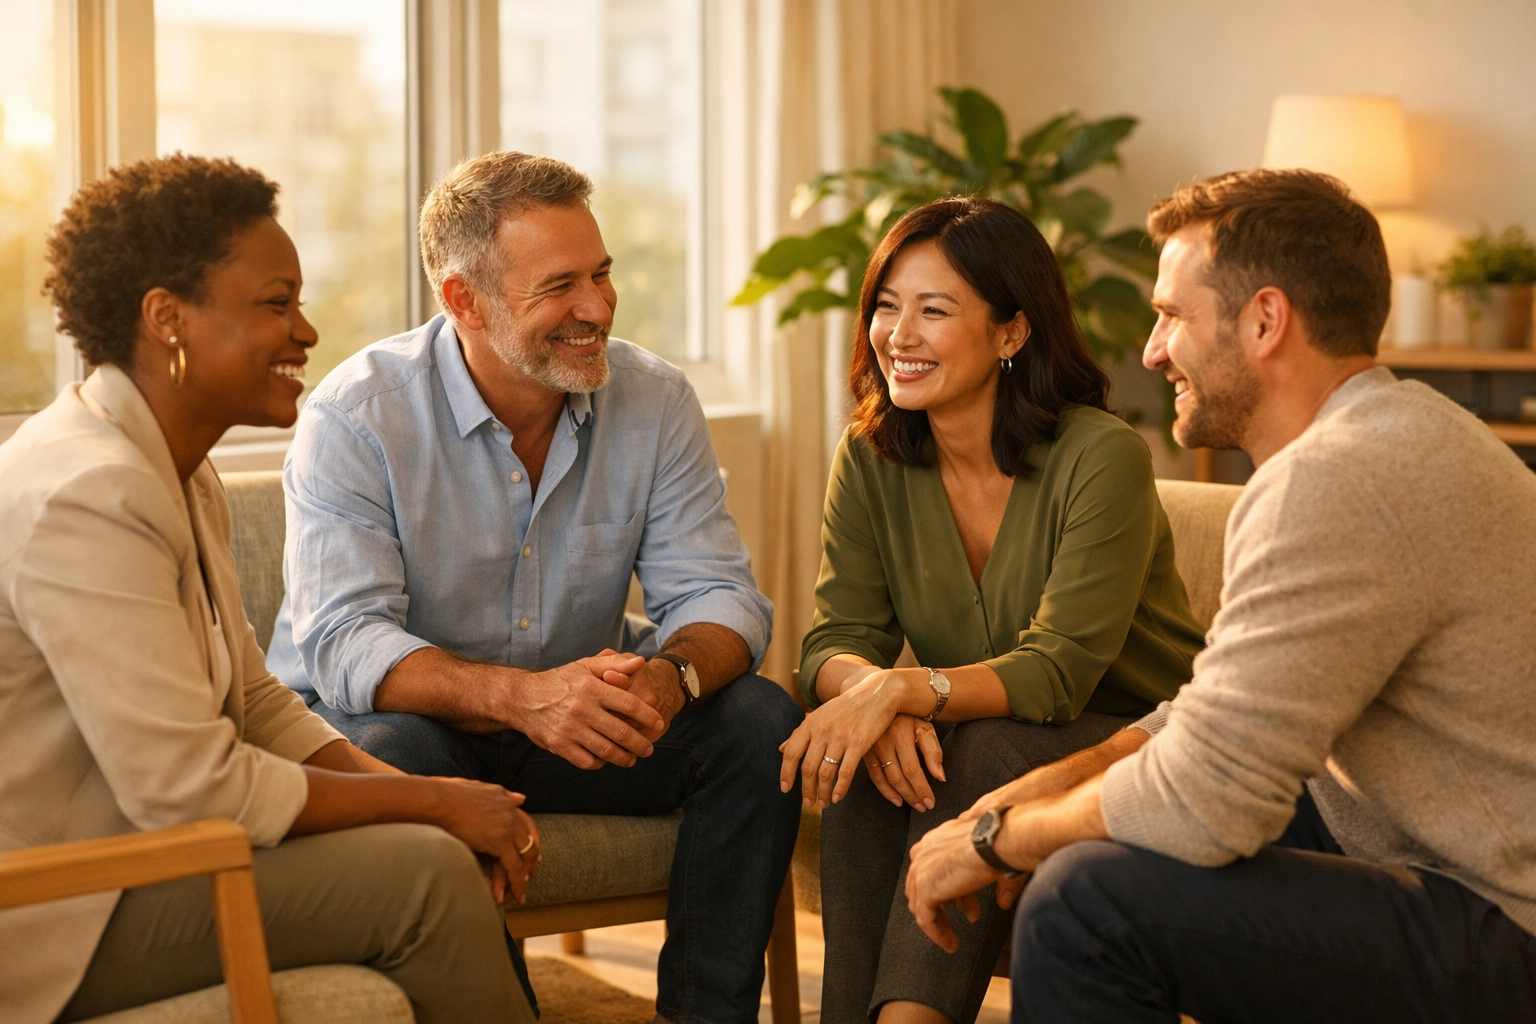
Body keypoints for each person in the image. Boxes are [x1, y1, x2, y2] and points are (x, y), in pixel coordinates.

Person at [905, 169, 1536, 1023]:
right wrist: (1037, 796)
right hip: (1406, 838)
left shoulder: (1339, 481)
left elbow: (1207, 801)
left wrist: (994, 839)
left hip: (1505, 917)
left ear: (1265, 321)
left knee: (1084, 901)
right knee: (1066, 841)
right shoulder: (1390, 434)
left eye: (1172, 316)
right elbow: (1215, 716)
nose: (1152, 350)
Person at [263, 150, 801, 1024]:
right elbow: (346, 644)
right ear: (463, 300)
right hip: (415, 729)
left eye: (602, 274)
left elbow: (718, 594)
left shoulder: (656, 400)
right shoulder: (355, 417)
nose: (597, 307)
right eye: (560, 286)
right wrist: (524, 699)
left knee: (758, 724)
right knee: (393, 748)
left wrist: (668, 682)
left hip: (578, 719)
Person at [0, 155, 539, 1024]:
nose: (308, 331)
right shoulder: (87, 491)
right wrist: (434, 803)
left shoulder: (174, 466)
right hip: (55, 908)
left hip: (146, 863)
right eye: (274, 303)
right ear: (165, 318)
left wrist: (418, 808)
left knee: (421, 846)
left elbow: (253, 701)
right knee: (426, 879)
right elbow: (190, 788)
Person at [780, 196, 1204, 1024]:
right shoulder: (870, 456)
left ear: (1012, 333)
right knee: (883, 760)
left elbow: (1058, 674)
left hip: (1145, 733)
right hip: (989, 730)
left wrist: (905, 692)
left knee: (977, 747)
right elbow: (834, 639)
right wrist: (874, 696)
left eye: (934, 311)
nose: (898, 335)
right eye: (886, 306)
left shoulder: (1102, 456)